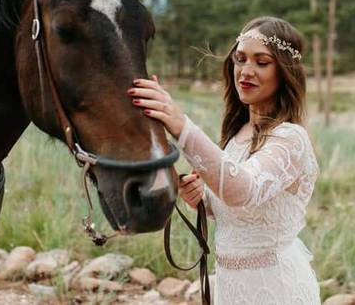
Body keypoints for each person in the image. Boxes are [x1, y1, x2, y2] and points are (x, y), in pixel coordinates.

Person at [128, 16, 321, 304]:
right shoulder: (237, 133)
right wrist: (203, 200)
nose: (246, 70)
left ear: (285, 71)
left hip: (278, 289)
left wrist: (182, 126)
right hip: (231, 288)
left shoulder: (290, 139)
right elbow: (240, 210)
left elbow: (242, 190)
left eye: (262, 62)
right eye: (240, 59)